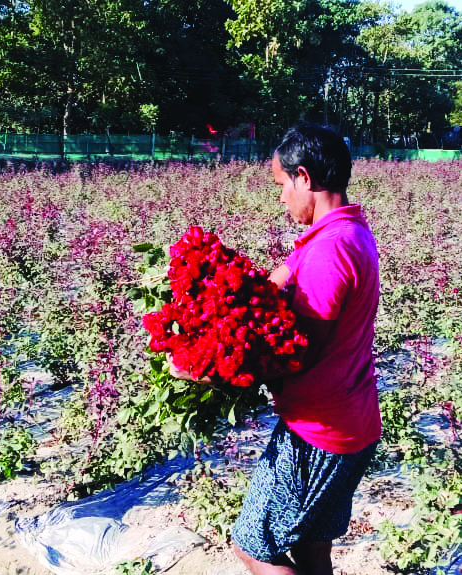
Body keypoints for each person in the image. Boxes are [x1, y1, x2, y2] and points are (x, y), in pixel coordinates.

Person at [174, 123, 382, 574]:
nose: (281, 198)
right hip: (353, 421)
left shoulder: (331, 251)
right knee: (310, 548)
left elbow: (296, 354)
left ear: (303, 178)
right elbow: (277, 280)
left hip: (318, 434)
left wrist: (203, 367)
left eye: (281, 185)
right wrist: (217, 294)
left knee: (254, 547)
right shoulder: (348, 231)